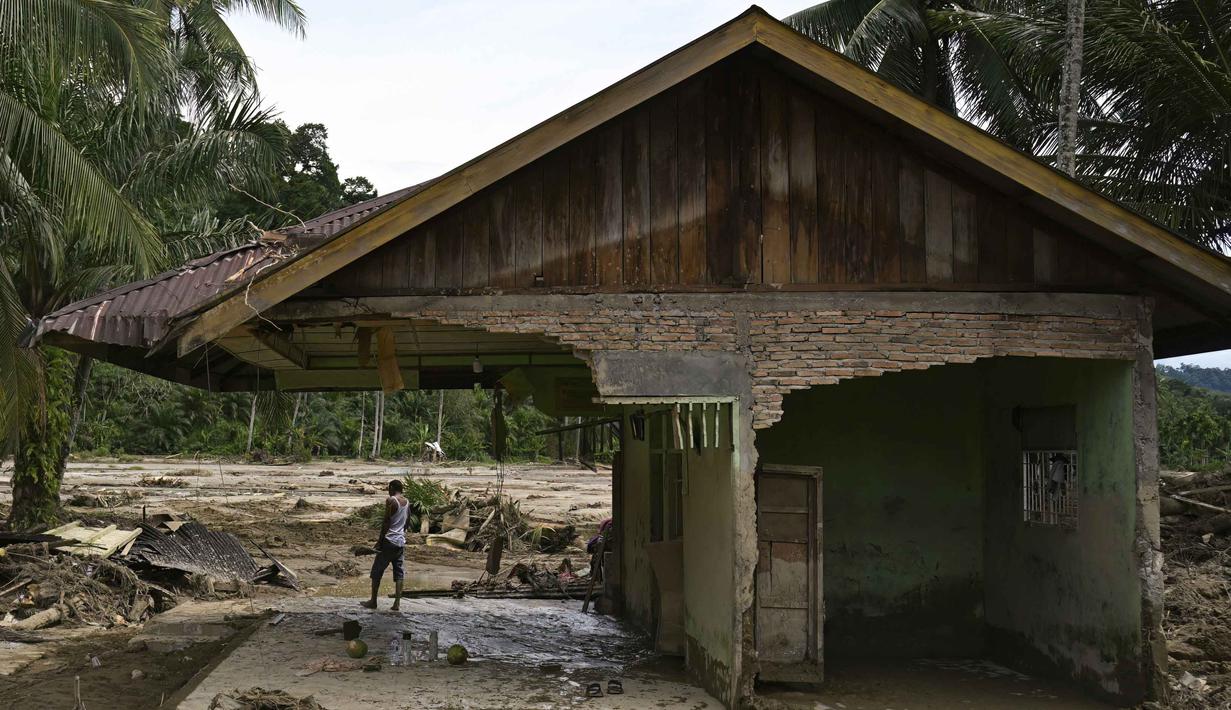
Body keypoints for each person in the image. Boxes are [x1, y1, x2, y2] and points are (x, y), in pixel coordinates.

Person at [362, 479, 409, 611]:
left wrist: (380, 541)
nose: (388, 491)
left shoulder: (391, 501)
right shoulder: (407, 502)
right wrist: (402, 534)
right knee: (399, 572)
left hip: (389, 540)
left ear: (393, 488)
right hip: (400, 542)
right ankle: (397, 604)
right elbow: (407, 522)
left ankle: (373, 601)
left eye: (389, 488)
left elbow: (386, 522)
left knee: (377, 570)